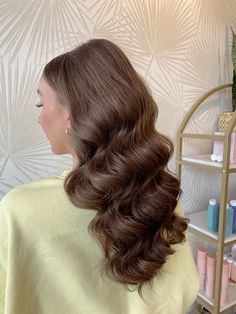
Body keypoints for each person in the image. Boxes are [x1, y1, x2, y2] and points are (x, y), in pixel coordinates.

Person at [0, 38, 199, 314]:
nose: (39, 118)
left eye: (39, 104)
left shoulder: (19, 212)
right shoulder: (159, 194)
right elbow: (181, 293)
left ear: (71, 114)